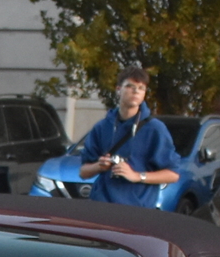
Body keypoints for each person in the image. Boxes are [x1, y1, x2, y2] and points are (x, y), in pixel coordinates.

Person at [76, 68, 183, 207]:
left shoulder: (155, 129)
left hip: (137, 209)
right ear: (118, 89)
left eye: (141, 88)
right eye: (130, 86)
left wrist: (137, 176)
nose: (136, 91)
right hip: (102, 205)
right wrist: (99, 166)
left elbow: (173, 174)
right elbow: (83, 173)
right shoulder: (102, 127)